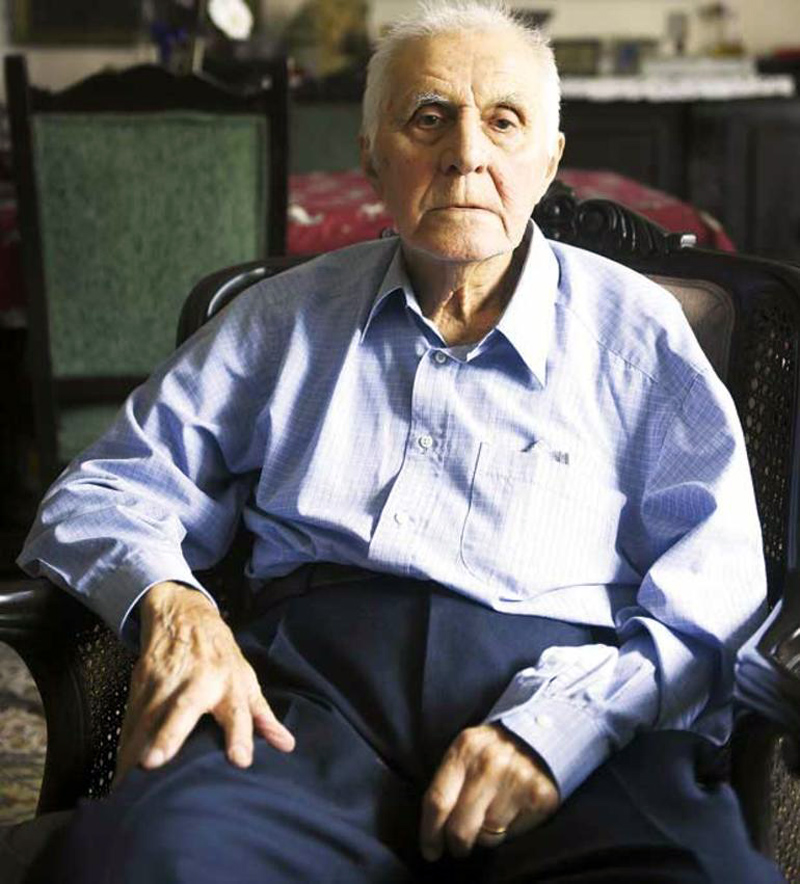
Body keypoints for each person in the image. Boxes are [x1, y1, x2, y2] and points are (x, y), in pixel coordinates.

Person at [18, 2, 784, 881]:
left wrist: (562, 731)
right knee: (143, 858)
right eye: (428, 118)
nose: (466, 153)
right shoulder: (280, 320)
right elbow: (102, 491)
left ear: (549, 158)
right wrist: (176, 605)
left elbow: (717, 587)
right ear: (372, 155)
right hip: (304, 707)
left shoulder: (636, 331)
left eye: (505, 121)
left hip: (570, 711)